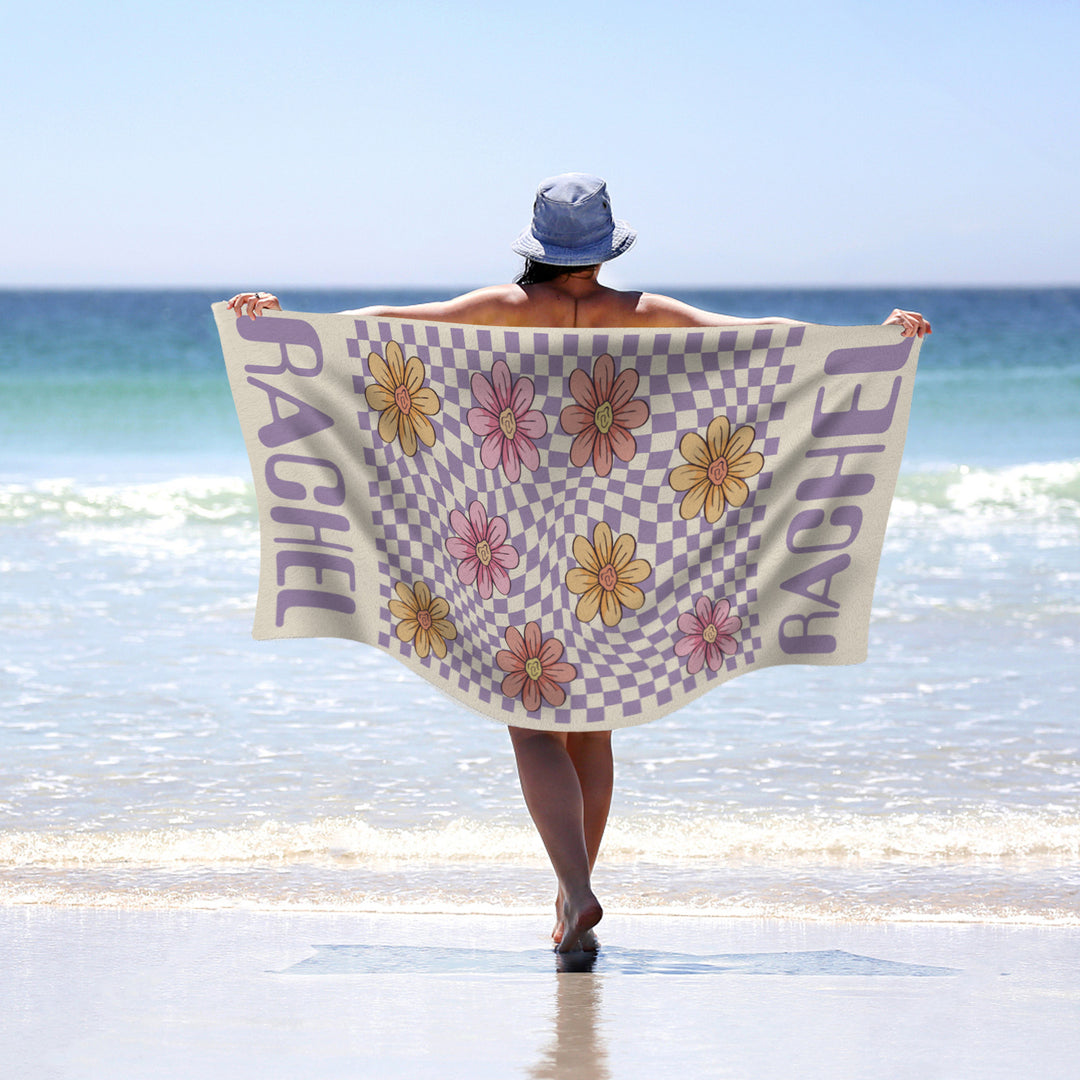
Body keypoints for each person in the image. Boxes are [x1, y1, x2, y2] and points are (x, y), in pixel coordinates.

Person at [227, 173, 931, 953]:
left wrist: (282, 320)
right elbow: (765, 339)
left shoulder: (498, 308)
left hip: (508, 539)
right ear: (604, 245)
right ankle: (571, 911)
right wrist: (874, 340)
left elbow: (383, 325)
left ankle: (573, 891)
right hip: (615, 551)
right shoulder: (643, 314)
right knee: (592, 729)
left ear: (536, 243)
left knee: (532, 727)